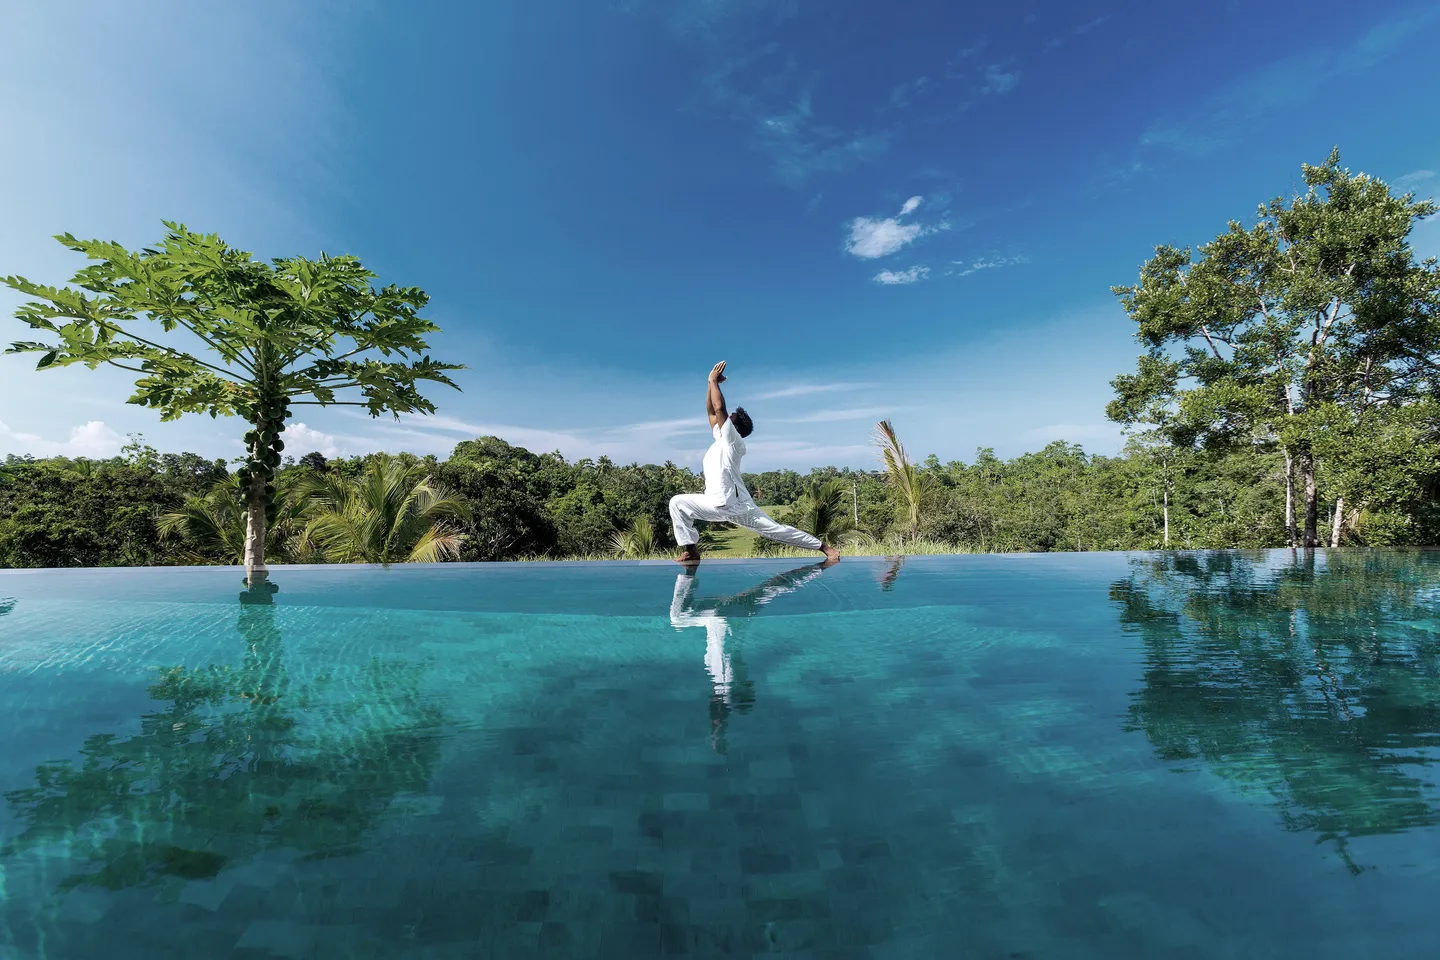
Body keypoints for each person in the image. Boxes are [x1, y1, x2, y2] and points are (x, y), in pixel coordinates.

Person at [669, 361, 842, 566]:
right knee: (677, 503)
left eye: (730, 417)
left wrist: (714, 381)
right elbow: (711, 412)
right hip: (714, 503)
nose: (724, 418)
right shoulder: (719, 438)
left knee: (775, 531)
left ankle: (824, 547)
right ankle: (691, 551)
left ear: (736, 427)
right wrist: (710, 383)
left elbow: (718, 407)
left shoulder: (734, 441)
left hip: (737, 506)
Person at [669, 560, 833, 752]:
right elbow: (722, 709)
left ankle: (690, 570)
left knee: (775, 587)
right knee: (774, 587)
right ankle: (689, 570)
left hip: (727, 617)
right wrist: (718, 734)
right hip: (724, 619)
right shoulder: (726, 679)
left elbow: (722, 708)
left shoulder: (722, 674)